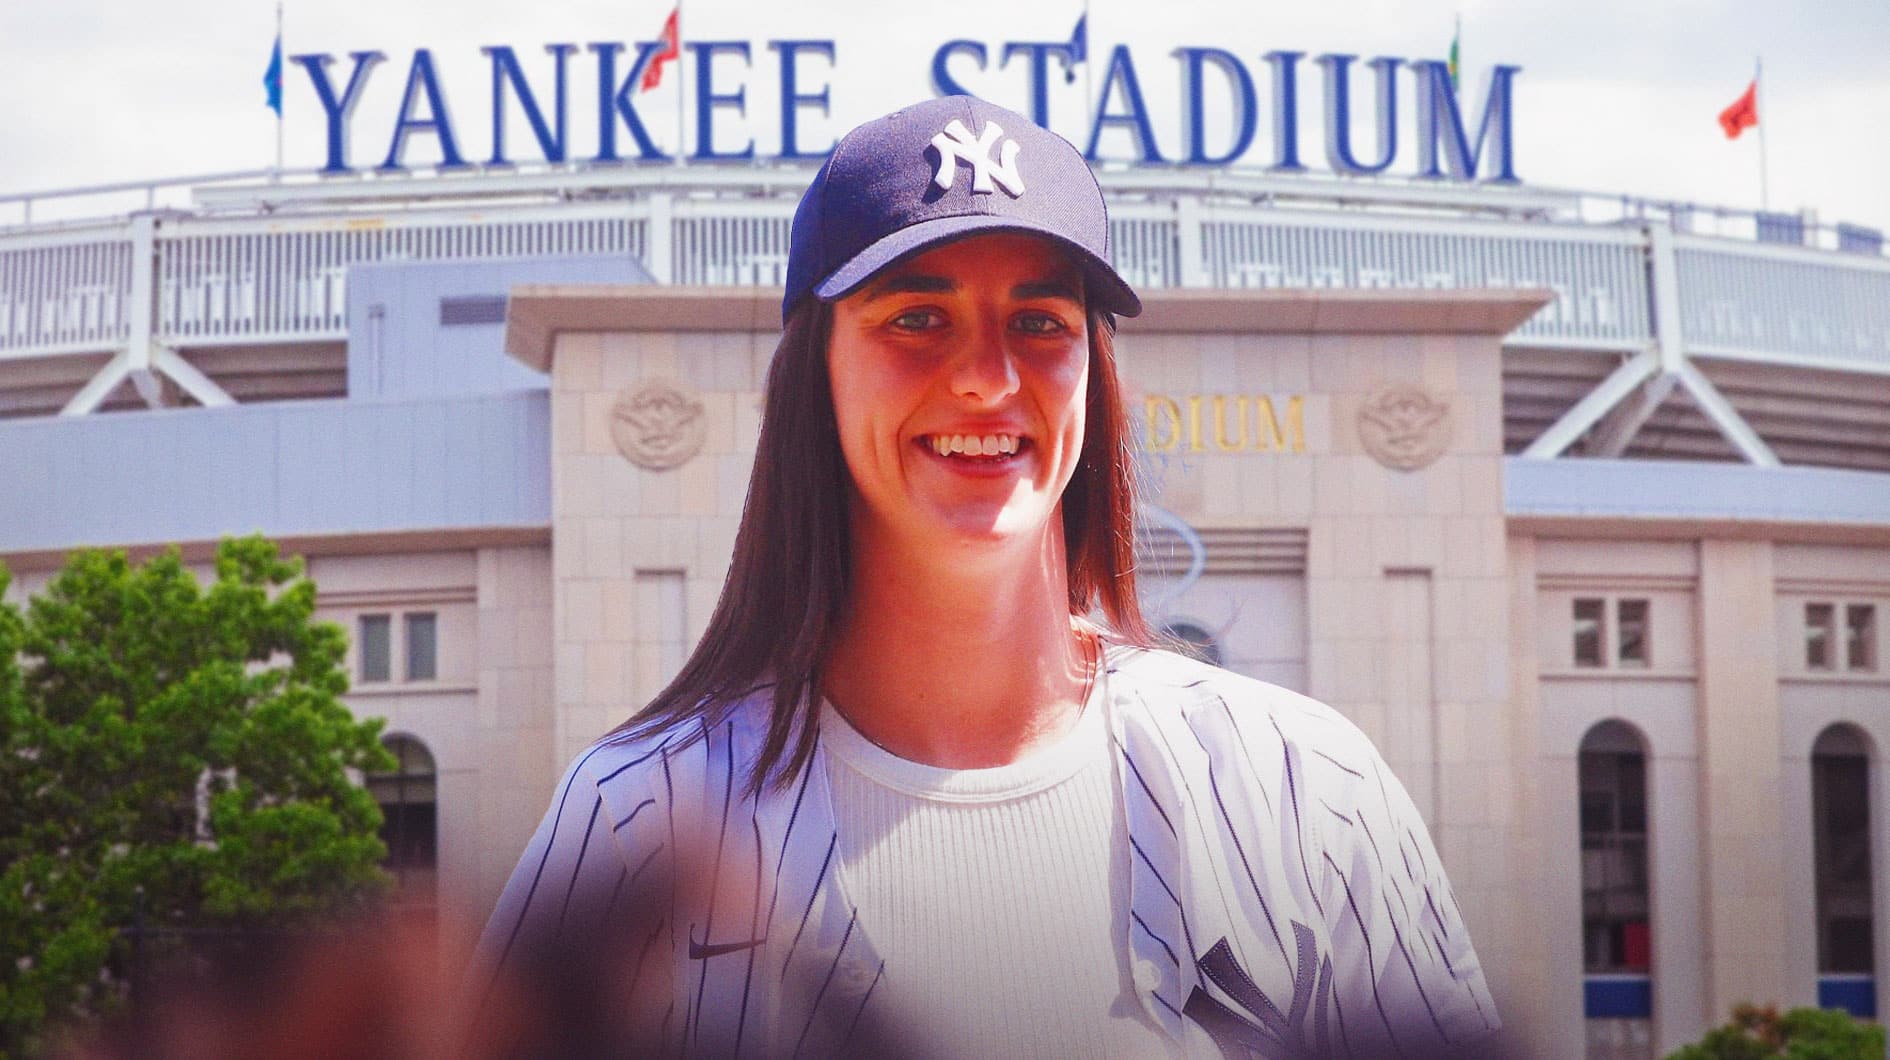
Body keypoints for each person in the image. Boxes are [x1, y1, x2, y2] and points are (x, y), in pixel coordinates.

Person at [478, 95, 1498, 1058]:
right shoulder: (634, 819)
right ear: (815, 376)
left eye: (1040, 323)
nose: (988, 377)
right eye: (916, 319)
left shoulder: (1306, 791)